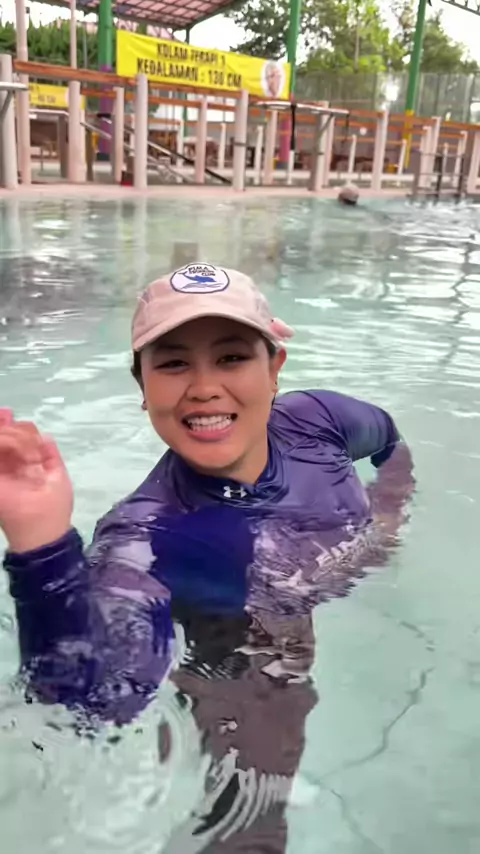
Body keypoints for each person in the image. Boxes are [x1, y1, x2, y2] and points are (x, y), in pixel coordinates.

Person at [0, 262, 414, 852]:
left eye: (231, 357)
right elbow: (90, 707)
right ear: (142, 387)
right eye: (173, 364)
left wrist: (391, 512)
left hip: (322, 586)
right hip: (245, 635)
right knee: (248, 802)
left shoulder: (319, 420)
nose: (203, 387)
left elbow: (391, 442)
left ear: (274, 368)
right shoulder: (148, 537)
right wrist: (42, 545)